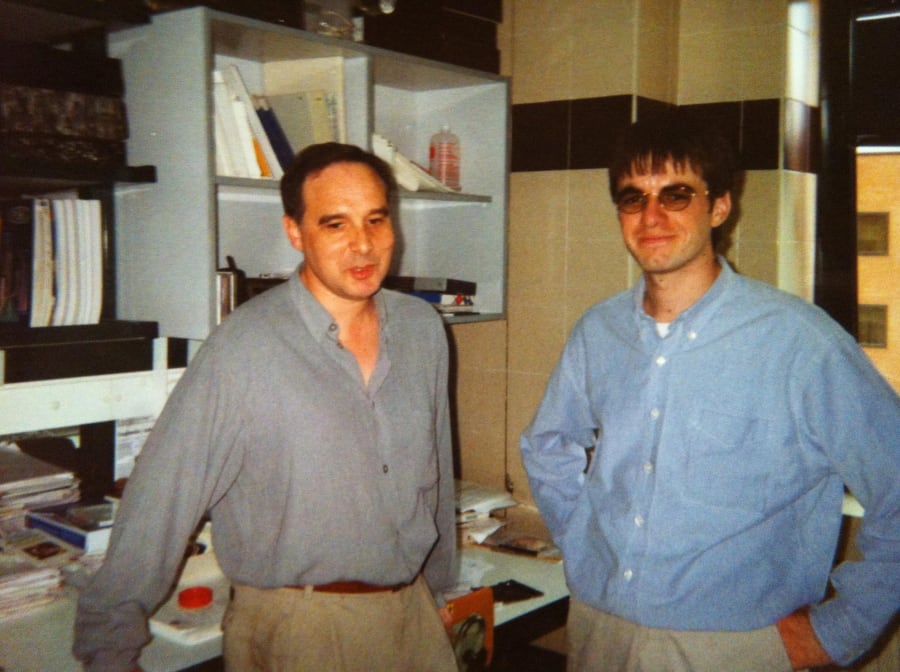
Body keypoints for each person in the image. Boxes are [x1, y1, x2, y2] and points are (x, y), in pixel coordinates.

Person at [520, 112, 900, 672]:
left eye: (676, 195)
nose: (651, 216)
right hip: (600, 631)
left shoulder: (801, 344)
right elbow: (548, 444)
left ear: (719, 206)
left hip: (732, 645)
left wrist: (836, 630)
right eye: (633, 198)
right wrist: (583, 541)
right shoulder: (597, 333)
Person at [74, 143, 459, 672]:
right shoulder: (243, 348)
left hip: (413, 617)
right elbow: (161, 496)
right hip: (299, 628)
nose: (363, 244)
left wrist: (440, 592)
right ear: (295, 233)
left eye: (376, 219)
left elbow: (435, 475)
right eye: (335, 224)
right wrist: (110, 649)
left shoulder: (422, 330)